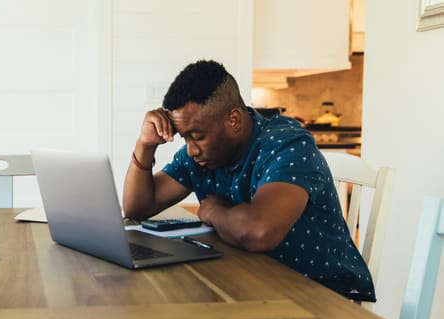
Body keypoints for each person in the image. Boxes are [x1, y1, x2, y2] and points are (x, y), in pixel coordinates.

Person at [122, 60, 375, 302]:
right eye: (185, 138)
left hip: (322, 297)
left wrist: (213, 212)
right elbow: (138, 207)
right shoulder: (202, 155)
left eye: (197, 136)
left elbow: (258, 231)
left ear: (233, 120)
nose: (191, 150)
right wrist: (145, 144)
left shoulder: (288, 146)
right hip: (255, 284)